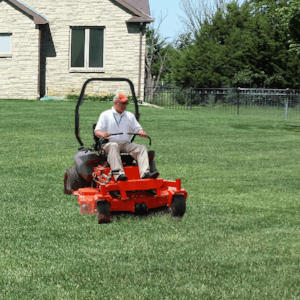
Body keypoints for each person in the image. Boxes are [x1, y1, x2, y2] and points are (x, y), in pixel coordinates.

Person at [94, 93, 159, 182]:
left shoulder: (130, 116)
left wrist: (141, 132)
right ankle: (119, 175)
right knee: (114, 145)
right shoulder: (105, 115)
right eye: (123, 103)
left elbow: (138, 128)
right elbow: (97, 131)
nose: (125, 106)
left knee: (142, 148)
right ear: (115, 103)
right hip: (109, 143)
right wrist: (103, 134)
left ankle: (145, 174)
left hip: (125, 144)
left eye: (126, 103)